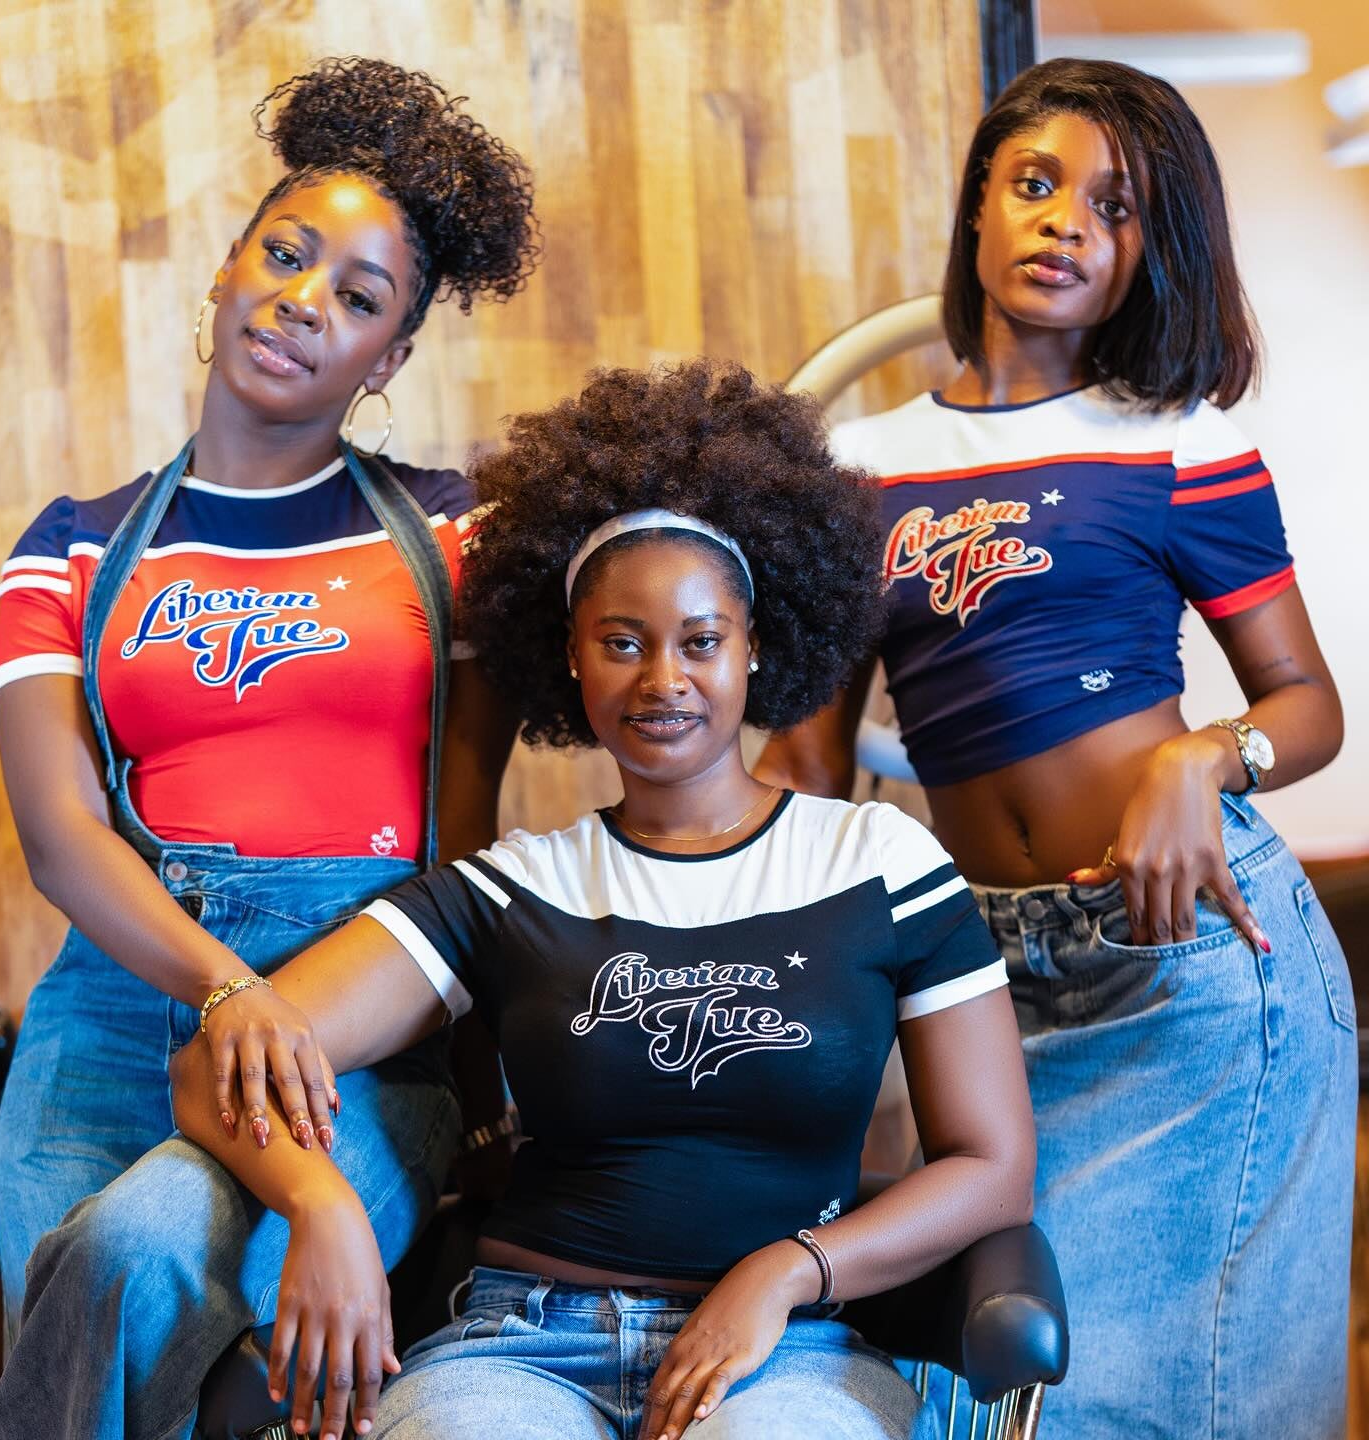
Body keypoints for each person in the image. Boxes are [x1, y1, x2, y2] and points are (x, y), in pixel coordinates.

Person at [150, 359, 1038, 1440]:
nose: (664, 679)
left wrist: (788, 1273)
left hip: (791, 1352)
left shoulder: (879, 862)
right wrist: (320, 1203)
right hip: (523, 1350)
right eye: (622, 642)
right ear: (569, 657)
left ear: (756, 648)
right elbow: (216, 1068)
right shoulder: (513, 886)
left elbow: (992, 1171)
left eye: (701, 641)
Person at [756, 58, 1355, 1438]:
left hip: (1197, 973)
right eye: (1034, 185)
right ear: (976, 214)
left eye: (1116, 206)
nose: (1067, 221)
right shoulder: (859, 466)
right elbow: (805, 768)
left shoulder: (1178, 446)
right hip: (985, 985)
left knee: (1172, 1396)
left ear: (1151, 252)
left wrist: (1200, 759)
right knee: (972, 1382)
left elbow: (1306, 703)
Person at [0, 55, 537, 1436]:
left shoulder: (458, 538)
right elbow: (62, 838)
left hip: (354, 1019)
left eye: (358, 297)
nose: (305, 302)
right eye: (285, 257)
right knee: (88, 1323)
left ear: (389, 357)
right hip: (115, 1014)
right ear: (226, 272)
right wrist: (230, 990)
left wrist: (475, 1091)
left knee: (149, 1275)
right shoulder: (72, 547)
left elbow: (462, 834)